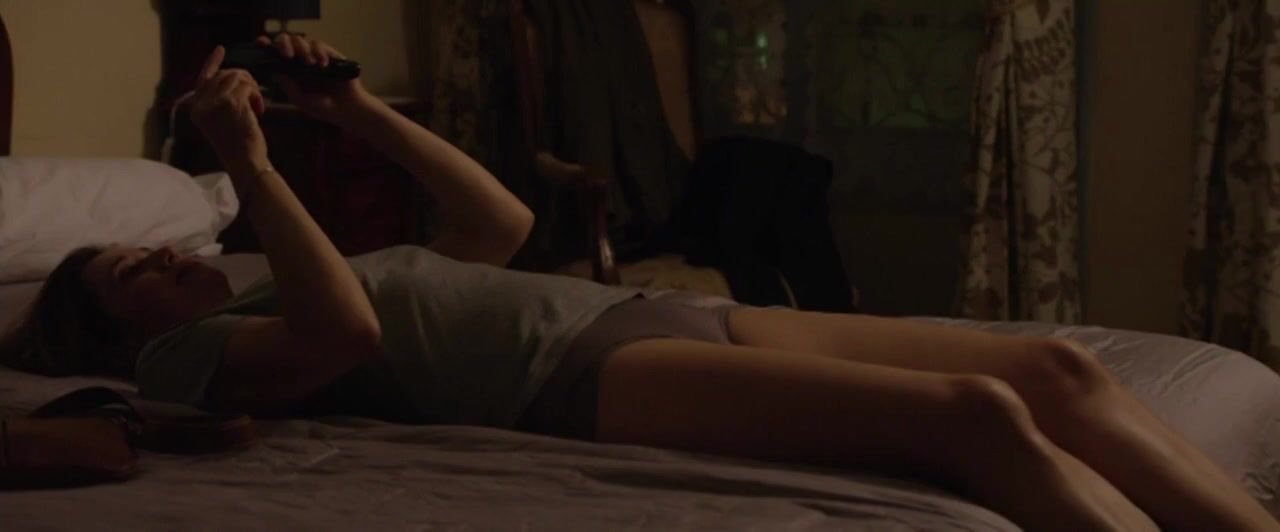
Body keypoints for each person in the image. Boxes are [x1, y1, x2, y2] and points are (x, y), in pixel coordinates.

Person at [1, 34, 1275, 532]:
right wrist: (247, 162)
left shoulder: (288, 274)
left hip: (650, 309)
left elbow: (499, 223)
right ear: (106, 329)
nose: (166, 253)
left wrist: (351, 111)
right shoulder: (189, 357)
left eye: (154, 240)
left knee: (1057, 369)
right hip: (581, 373)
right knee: (978, 417)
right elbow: (345, 332)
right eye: (132, 268)